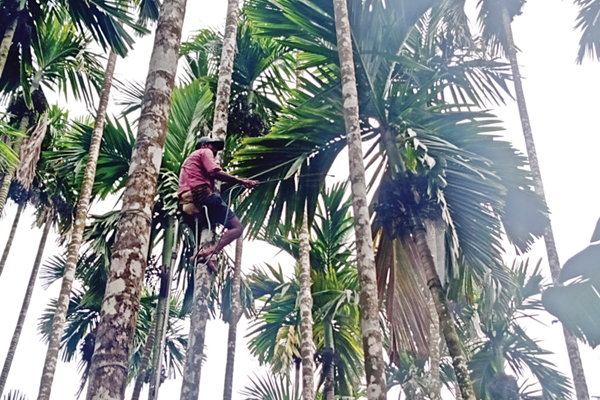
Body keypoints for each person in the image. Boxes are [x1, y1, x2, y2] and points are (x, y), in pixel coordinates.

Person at [178, 137, 258, 270]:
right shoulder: (204, 152)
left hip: (186, 203)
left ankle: (204, 255)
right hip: (200, 194)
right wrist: (240, 180)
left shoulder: (190, 162)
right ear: (204, 145)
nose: (215, 151)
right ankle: (210, 252)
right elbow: (213, 171)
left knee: (204, 233)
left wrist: (240, 182)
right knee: (237, 228)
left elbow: (214, 181)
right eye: (213, 147)